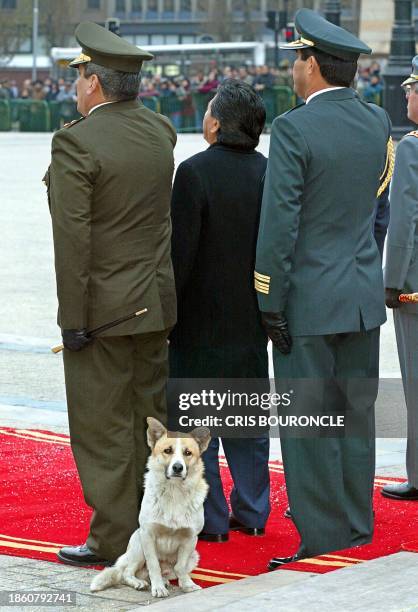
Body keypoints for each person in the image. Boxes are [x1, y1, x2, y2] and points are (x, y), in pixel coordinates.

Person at [255, 9, 393, 568]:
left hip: (307, 303)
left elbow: (279, 224)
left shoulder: (293, 128)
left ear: (312, 65)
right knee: (353, 423)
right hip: (360, 298)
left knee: (309, 427)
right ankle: (355, 527)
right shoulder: (378, 122)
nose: (293, 69)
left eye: (296, 59)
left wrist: (269, 299)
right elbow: (374, 210)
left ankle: (323, 538)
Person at [45, 22, 177, 566]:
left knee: (102, 429)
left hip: (102, 312)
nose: (77, 85)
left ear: (94, 84)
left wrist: (72, 320)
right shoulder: (161, 131)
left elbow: (74, 240)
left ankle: (111, 539)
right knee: (149, 424)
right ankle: (158, 533)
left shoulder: (76, 140)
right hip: (155, 304)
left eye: (79, 75)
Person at [170, 79, 270, 541]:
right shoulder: (268, 171)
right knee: (247, 424)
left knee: (198, 428)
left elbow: (180, 256)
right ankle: (252, 513)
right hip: (251, 318)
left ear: (215, 122)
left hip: (199, 322)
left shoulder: (193, 172)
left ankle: (211, 521)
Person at [381, 56, 418, 502]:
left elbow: (405, 221)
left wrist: (392, 281)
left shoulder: (411, 147)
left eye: (412, 88)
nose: (407, 94)